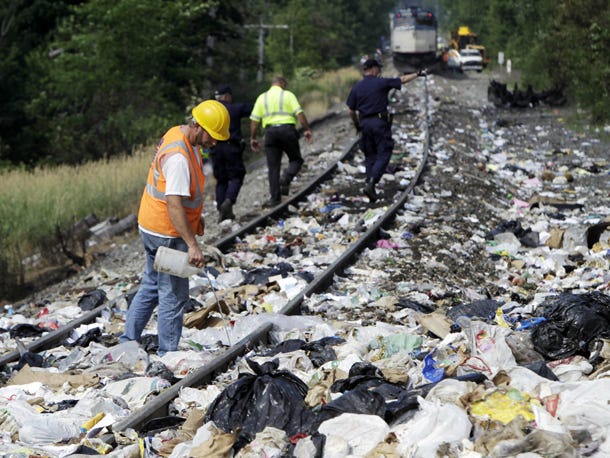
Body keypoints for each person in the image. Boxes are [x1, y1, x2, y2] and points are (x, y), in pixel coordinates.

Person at [120, 100, 230, 355]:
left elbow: (182, 196)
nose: (213, 143)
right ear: (198, 126)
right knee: (173, 294)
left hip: (150, 224)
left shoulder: (177, 134)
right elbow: (174, 205)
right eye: (212, 137)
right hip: (165, 233)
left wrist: (195, 217)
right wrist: (192, 244)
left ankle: (127, 342)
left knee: (150, 284)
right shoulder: (179, 158)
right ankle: (167, 355)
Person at [346, 58, 424, 202]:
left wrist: (357, 125)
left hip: (364, 123)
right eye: (378, 69)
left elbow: (351, 111)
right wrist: (417, 74)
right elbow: (402, 79)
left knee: (369, 155)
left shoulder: (357, 87)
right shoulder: (381, 82)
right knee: (384, 152)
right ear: (374, 69)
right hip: (379, 123)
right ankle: (372, 182)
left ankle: (369, 185)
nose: (379, 72)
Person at [249, 76, 313, 207]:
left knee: (273, 168)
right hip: (287, 131)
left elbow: (254, 121)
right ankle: (286, 178)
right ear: (282, 83)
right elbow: (299, 113)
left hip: (270, 133)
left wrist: (253, 138)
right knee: (296, 160)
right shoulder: (288, 95)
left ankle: (274, 199)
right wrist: (307, 129)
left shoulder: (262, 97)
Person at [210, 84, 253, 221]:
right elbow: (254, 109)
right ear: (227, 96)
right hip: (231, 147)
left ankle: (222, 210)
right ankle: (228, 201)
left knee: (221, 180)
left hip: (215, 149)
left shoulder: (210, 112)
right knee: (237, 176)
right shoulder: (235, 108)